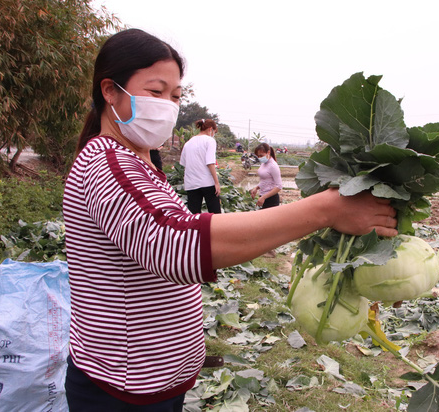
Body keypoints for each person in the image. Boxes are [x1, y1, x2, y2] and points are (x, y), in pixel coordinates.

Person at [63, 28, 397, 411]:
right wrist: (325, 210)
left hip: (150, 380)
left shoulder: (134, 159)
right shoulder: (108, 164)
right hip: (124, 389)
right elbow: (174, 244)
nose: (168, 106)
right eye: (156, 93)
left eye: (175, 96)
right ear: (110, 91)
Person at [179, 119, 222, 214]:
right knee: (215, 214)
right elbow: (210, 162)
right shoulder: (210, 141)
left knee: (194, 216)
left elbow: (183, 163)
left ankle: (196, 230)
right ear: (211, 129)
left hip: (191, 184)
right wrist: (216, 183)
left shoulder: (188, 143)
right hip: (207, 182)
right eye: (214, 132)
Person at [250, 143, 282, 209]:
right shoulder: (264, 163)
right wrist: (256, 188)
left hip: (271, 199)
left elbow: (279, 186)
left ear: (268, 152)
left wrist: (264, 197)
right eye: (258, 156)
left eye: (261, 155)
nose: (259, 158)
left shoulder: (273, 166)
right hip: (263, 197)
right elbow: (265, 180)